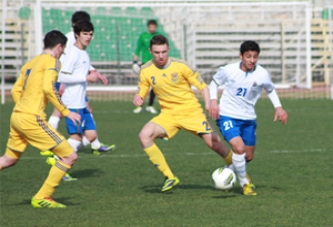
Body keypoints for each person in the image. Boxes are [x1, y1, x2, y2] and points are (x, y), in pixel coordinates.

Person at [133, 34, 233, 193]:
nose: (160, 56)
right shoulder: (145, 70)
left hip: (192, 112)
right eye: (157, 52)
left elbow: (203, 86)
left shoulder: (181, 66)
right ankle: (170, 177)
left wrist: (208, 103)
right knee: (144, 135)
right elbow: (142, 89)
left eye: (164, 52)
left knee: (216, 145)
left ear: (168, 50)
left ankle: (244, 178)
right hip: (168, 115)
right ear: (150, 51)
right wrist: (138, 97)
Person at [0, 30, 81, 208]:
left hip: (17, 116)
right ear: (59, 47)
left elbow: (15, 91)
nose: (62, 53)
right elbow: (49, 88)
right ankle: (43, 197)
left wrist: (23, 106)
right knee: (69, 156)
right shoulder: (52, 61)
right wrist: (66, 112)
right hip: (30, 118)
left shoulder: (30, 63)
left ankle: (43, 196)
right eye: (63, 50)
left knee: (8, 159)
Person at [209, 40, 288, 196]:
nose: (252, 60)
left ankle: (226, 173)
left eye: (255, 57)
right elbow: (214, 83)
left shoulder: (262, 73)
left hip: (248, 118)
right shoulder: (228, 70)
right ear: (241, 56)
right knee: (238, 149)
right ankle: (245, 184)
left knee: (248, 156)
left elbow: (270, 89)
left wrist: (278, 107)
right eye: (248, 56)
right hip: (227, 115)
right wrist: (213, 101)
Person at [41, 11, 113, 159]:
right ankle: (56, 156)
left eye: (90, 34)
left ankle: (62, 152)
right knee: (75, 136)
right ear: (77, 32)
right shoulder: (72, 49)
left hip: (80, 102)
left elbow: (82, 67)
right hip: (73, 102)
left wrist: (95, 74)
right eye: (85, 33)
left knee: (91, 135)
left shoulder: (84, 53)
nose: (88, 37)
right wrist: (86, 77)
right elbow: (64, 75)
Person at [132, 19, 160, 114]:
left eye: (154, 27)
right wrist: (134, 62)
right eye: (150, 27)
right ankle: (139, 106)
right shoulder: (143, 36)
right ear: (148, 27)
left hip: (156, 63)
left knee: (155, 86)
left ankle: (150, 106)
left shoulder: (158, 36)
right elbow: (138, 49)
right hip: (145, 64)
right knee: (143, 85)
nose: (152, 29)